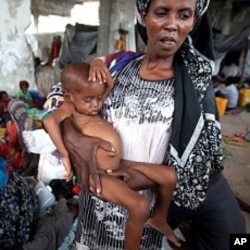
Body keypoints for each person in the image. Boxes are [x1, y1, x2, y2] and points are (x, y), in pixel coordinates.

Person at [42, 0, 246, 249]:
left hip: (142, 211)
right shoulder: (118, 65)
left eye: (184, 15)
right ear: (143, 14)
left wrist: (139, 173)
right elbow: (59, 95)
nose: (171, 24)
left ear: (193, 23)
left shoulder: (195, 88)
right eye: (161, 12)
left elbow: (199, 168)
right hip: (98, 200)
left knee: (238, 240)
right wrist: (73, 138)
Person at [43, 62, 181, 248]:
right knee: (140, 206)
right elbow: (50, 121)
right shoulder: (70, 107)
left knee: (170, 176)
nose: (96, 104)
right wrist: (65, 154)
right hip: (98, 175)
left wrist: (99, 64)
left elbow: (109, 85)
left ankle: (159, 219)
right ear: (69, 96)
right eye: (89, 100)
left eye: (99, 99)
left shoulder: (90, 101)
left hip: (118, 164)